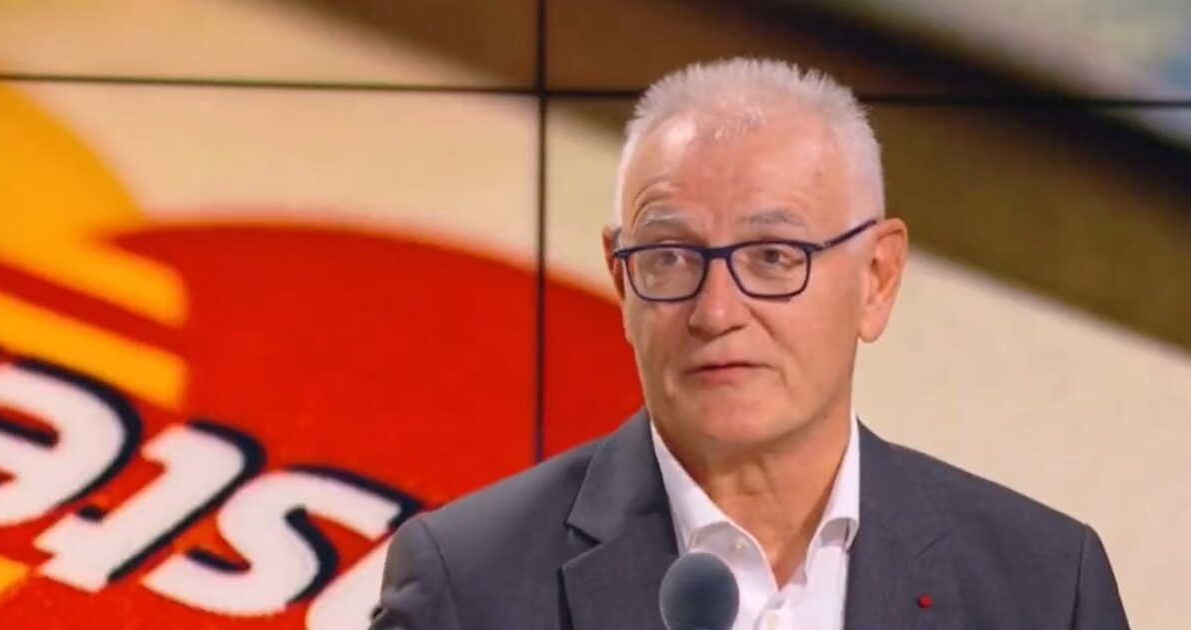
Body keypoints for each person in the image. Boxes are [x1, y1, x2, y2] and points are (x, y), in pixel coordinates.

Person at [370, 58, 1129, 630]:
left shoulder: (1044, 587)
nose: (716, 310)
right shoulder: (467, 584)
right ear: (621, 281)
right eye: (670, 257)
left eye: (773, 256)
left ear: (877, 278)